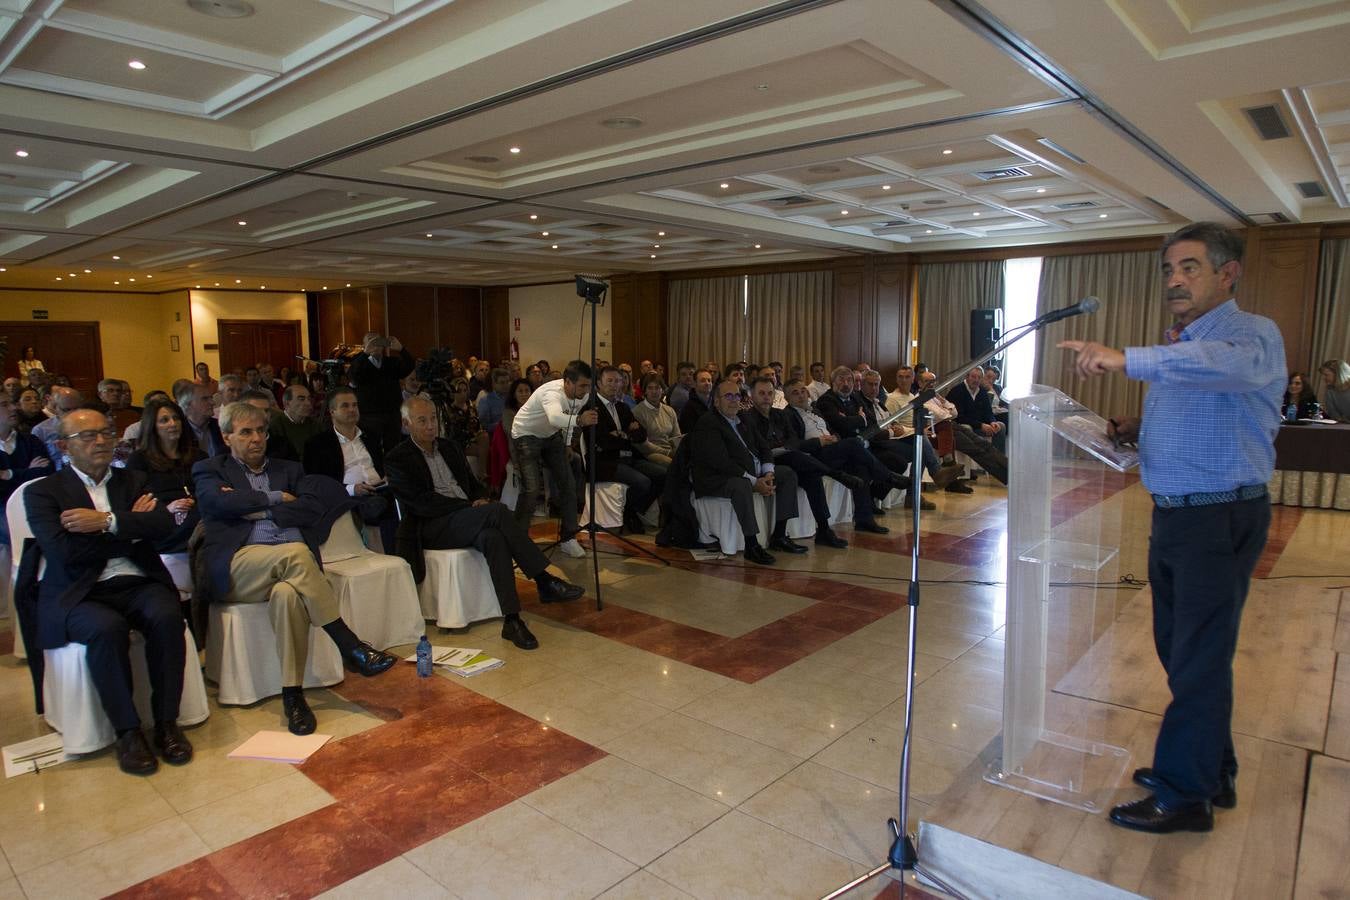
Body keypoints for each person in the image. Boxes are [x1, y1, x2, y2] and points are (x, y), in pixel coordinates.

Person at [1059, 222, 1284, 835]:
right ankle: (1214, 770)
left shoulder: (1248, 334)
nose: (1175, 280)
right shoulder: (1181, 342)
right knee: (1185, 655)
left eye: (1189, 267)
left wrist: (1124, 357)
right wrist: (1139, 429)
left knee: (1198, 657)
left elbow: (1227, 369)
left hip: (1216, 515)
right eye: (1169, 270)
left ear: (1227, 272)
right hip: (1180, 516)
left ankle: (1187, 795)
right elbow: (1203, 403)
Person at [194, 402, 398, 735]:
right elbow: (219, 503)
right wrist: (275, 499)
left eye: (261, 431)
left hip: (290, 570)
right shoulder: (210, 470)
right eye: (246, 432)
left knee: (289, 594)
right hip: (241, 565)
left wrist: (253, 509)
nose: (256, 438)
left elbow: (311, 509)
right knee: (296, 553)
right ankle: (349, 645)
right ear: (227, 435)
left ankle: (293, 696)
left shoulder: (289, 469)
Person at [26, 408, 191, 775]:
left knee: (167, 615)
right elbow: (64, 552)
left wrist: (105, 521)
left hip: (138, 581)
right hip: (81, 591)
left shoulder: (132, 479)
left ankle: (166, 723)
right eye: (88, 436)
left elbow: (163, 526)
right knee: (106, 629)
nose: (100, 441)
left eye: (105, 433)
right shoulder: (44, 493)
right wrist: (131, 530)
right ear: (63, 446)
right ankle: (128, 732)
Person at [386, 396, 585, 650]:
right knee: (498, 512)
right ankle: (543, 580)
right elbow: (420, 503)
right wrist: (469, 506)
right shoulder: (397, 458)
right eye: (422, 420)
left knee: (494, 537)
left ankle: (512, 620)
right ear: (406, 424)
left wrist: (479, 497)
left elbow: (471, 484)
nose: (430, 425)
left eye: (433, 418)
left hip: (464, 517)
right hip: (431, 526)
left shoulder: (448, 447)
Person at [689, 379, 804, 565]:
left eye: (737, 395)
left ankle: (780, 536)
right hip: (716, 478)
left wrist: (768, 473)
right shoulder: (708, 422)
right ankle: (751, 545)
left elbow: (764, 448)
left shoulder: (744, 418)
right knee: (741, 485)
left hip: (752, 472)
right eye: (728, 396)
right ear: (717, 401)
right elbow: (721, 462)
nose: (734, 400)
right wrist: (753, 481)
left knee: (787, 474)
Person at [740, 377, 849, 549]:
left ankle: (824, 529)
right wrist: (781, 447)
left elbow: (794, 441)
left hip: (789, 457)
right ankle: (780, 535)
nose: (766, 397)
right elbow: (757, 447)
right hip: (764, 463)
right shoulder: (747, 418)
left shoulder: (780, 414)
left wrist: (784, 447)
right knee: (791, 466)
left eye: (770, 393)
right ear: (751, 395)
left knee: (811, 475)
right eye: (761, 393)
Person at [510, 359, 596, 558]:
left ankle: (568, 538)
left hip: (551, 435)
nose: (586, 390)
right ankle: (517, 539)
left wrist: (566, 443)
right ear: (567, 382)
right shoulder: (551, 394)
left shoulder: (582, 395)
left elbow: (568, 419)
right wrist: (580, 420)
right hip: (526, 434)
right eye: (582, 385)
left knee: (567, 483)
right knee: (531, 489)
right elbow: (556, 417)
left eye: (589, 385)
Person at [302, 387, 390, 542]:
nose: (352, 410)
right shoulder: (318, 444)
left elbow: (383, 465)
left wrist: (387, 477)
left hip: (380, 488)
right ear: (332, 411)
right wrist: (352, 489)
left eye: (355, 405)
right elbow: (317, 483)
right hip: (348, 496)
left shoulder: (371, 436)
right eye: (345, 406)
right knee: (374, 505)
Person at [587, 367, 664, 534]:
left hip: (629, 457)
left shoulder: (622, 407)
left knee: (662, 474)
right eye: (610, 381)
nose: (615, 385)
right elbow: (604, 442)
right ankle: (630, 514)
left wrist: (622, 435)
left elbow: (641, 434)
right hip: (605, 461)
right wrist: (628, 434)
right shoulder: (592, 408)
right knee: (642, 482)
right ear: (599, 384)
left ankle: (631, 510)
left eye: (618, 381)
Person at [126, 399, 205, 554]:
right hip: (164, 522)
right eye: (164, 420)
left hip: (198, 515)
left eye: (176, 418)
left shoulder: (199, 456)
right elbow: (138, 500)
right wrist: (167, 509)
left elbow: (209, 490)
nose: (173, 424)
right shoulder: (139, 459)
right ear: (152, 426)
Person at [348, 332, 415, 457]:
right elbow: (353, 377)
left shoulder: (391, 363)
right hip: (368, 416)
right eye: (370, 341)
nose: (374, 344)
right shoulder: (359, 362)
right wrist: (365, 353)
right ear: (364, 345)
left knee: (394, 450)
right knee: (371, 450)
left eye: (378, 341)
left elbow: (409, 366)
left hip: (392, 415)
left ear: (383, 345)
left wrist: (401, 349)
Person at [0, 391, 51, 544]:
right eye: (4, 405)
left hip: (34, 501)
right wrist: (28, 471)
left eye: (13, 403)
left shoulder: (30, 440)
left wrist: (8, 474)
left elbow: (44, 473)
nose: (14, 408)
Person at [632, 374, 681, 465]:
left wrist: (677, 451)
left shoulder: (669, 410)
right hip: (650, 454)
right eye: (650, 388)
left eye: (657, 388)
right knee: (674, 466)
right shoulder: (638, 412)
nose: (654, 391)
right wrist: (668, 453)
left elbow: (677, 437)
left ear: (662, 390)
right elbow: (643, 445)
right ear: (645, 391)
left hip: (670, 452)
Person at [32, 385, 82, 469]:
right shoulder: (40, 430)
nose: (72, 414)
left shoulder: (91, 426)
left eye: (76, 409)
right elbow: (39, 464)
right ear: (55, 408)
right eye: (66, 410)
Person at [271, 384, 322, 460]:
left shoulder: (315, 425)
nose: (308, 403)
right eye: (301, 399)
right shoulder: (275, 426)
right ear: (287, 404)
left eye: (309, 399)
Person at [176, 382, 226, 458]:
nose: (213, 402)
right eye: (205, 399)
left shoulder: (220, 426)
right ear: (188, 404)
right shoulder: (179, 431)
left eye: (211, 398)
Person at [677, 367, 717, 435]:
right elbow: (690, 435)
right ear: (695, 384)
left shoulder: (717, 402)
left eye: (709, 380)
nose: (707, 383)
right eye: (703, 380)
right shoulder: (688, 408)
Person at [476, 368, 511, 434]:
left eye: (508, 382)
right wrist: (503, 424)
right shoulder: (486, 401)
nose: (506, 385)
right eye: (502, 383)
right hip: (496, 436)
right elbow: (485, 426)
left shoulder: (512, 398)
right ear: (494, 384)